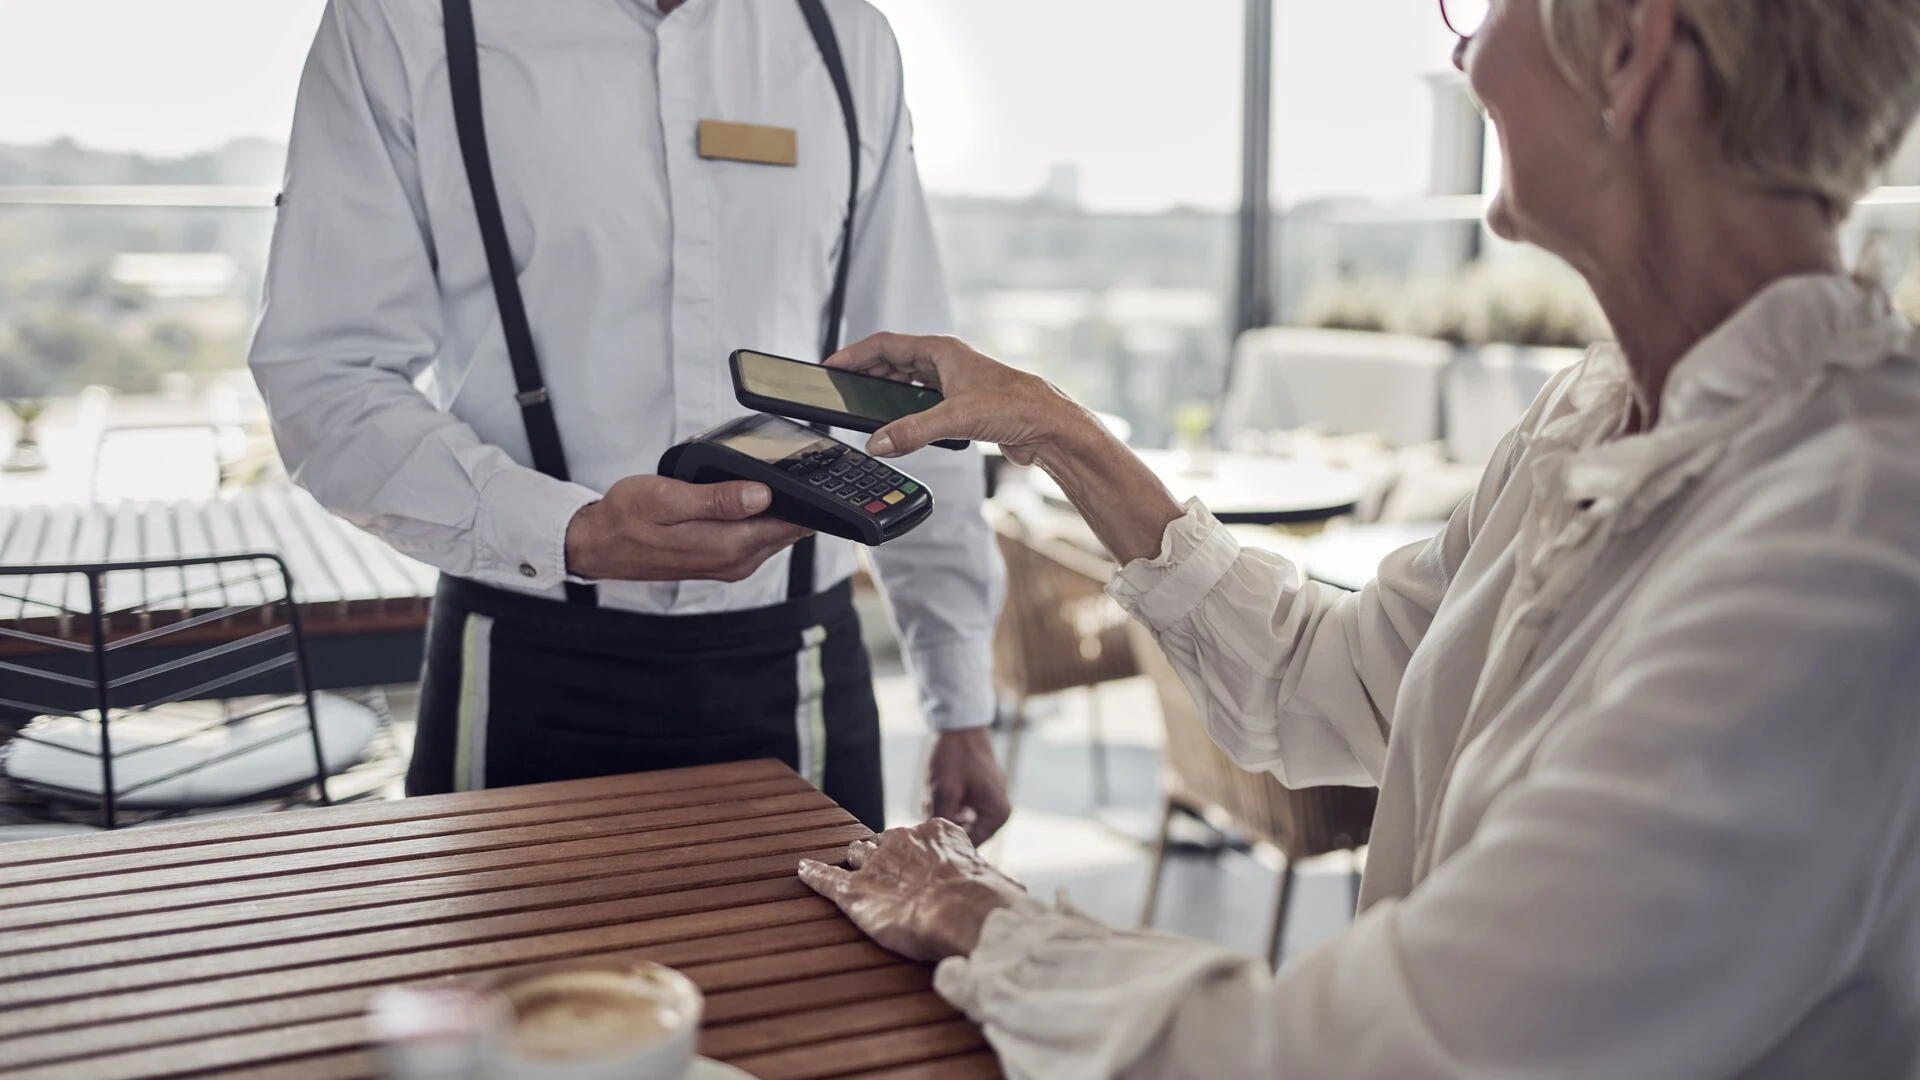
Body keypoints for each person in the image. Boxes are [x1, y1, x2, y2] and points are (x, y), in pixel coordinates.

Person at [798, 0, 1920, 1074]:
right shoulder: (1588, 415)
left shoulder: (1849, 548)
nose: (1466, 56)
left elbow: (1390, 1053)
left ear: (1632, 49)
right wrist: (1055, 427)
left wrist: (988, 925)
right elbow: (1328, 682)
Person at [249, 0, 1009, 841]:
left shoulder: (846, 37)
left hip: (803, 675)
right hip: (523, 665)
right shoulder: (405, 20)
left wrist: (959, 697)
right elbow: (326, 375)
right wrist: (567, 531)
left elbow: (912, 393)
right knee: (504, 976)